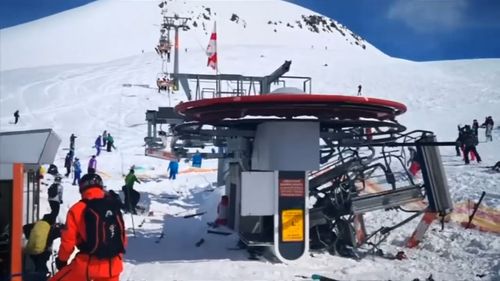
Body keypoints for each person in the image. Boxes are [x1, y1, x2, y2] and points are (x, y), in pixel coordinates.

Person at [49, 174, 126, 281]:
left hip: (87, 266)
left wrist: (62, 260)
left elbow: (68, 242)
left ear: (82, 188)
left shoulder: (78, 209)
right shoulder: (113, 207)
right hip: (114, 267)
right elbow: (122, 237)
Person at [24, 214, 61, 278]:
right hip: (42, 252)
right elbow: (61, 232)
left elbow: (25, 228)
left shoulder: (36, 225)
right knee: (41, 268)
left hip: (30, 251)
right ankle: (42, 277)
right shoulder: (51, 228)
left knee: (34, 266)